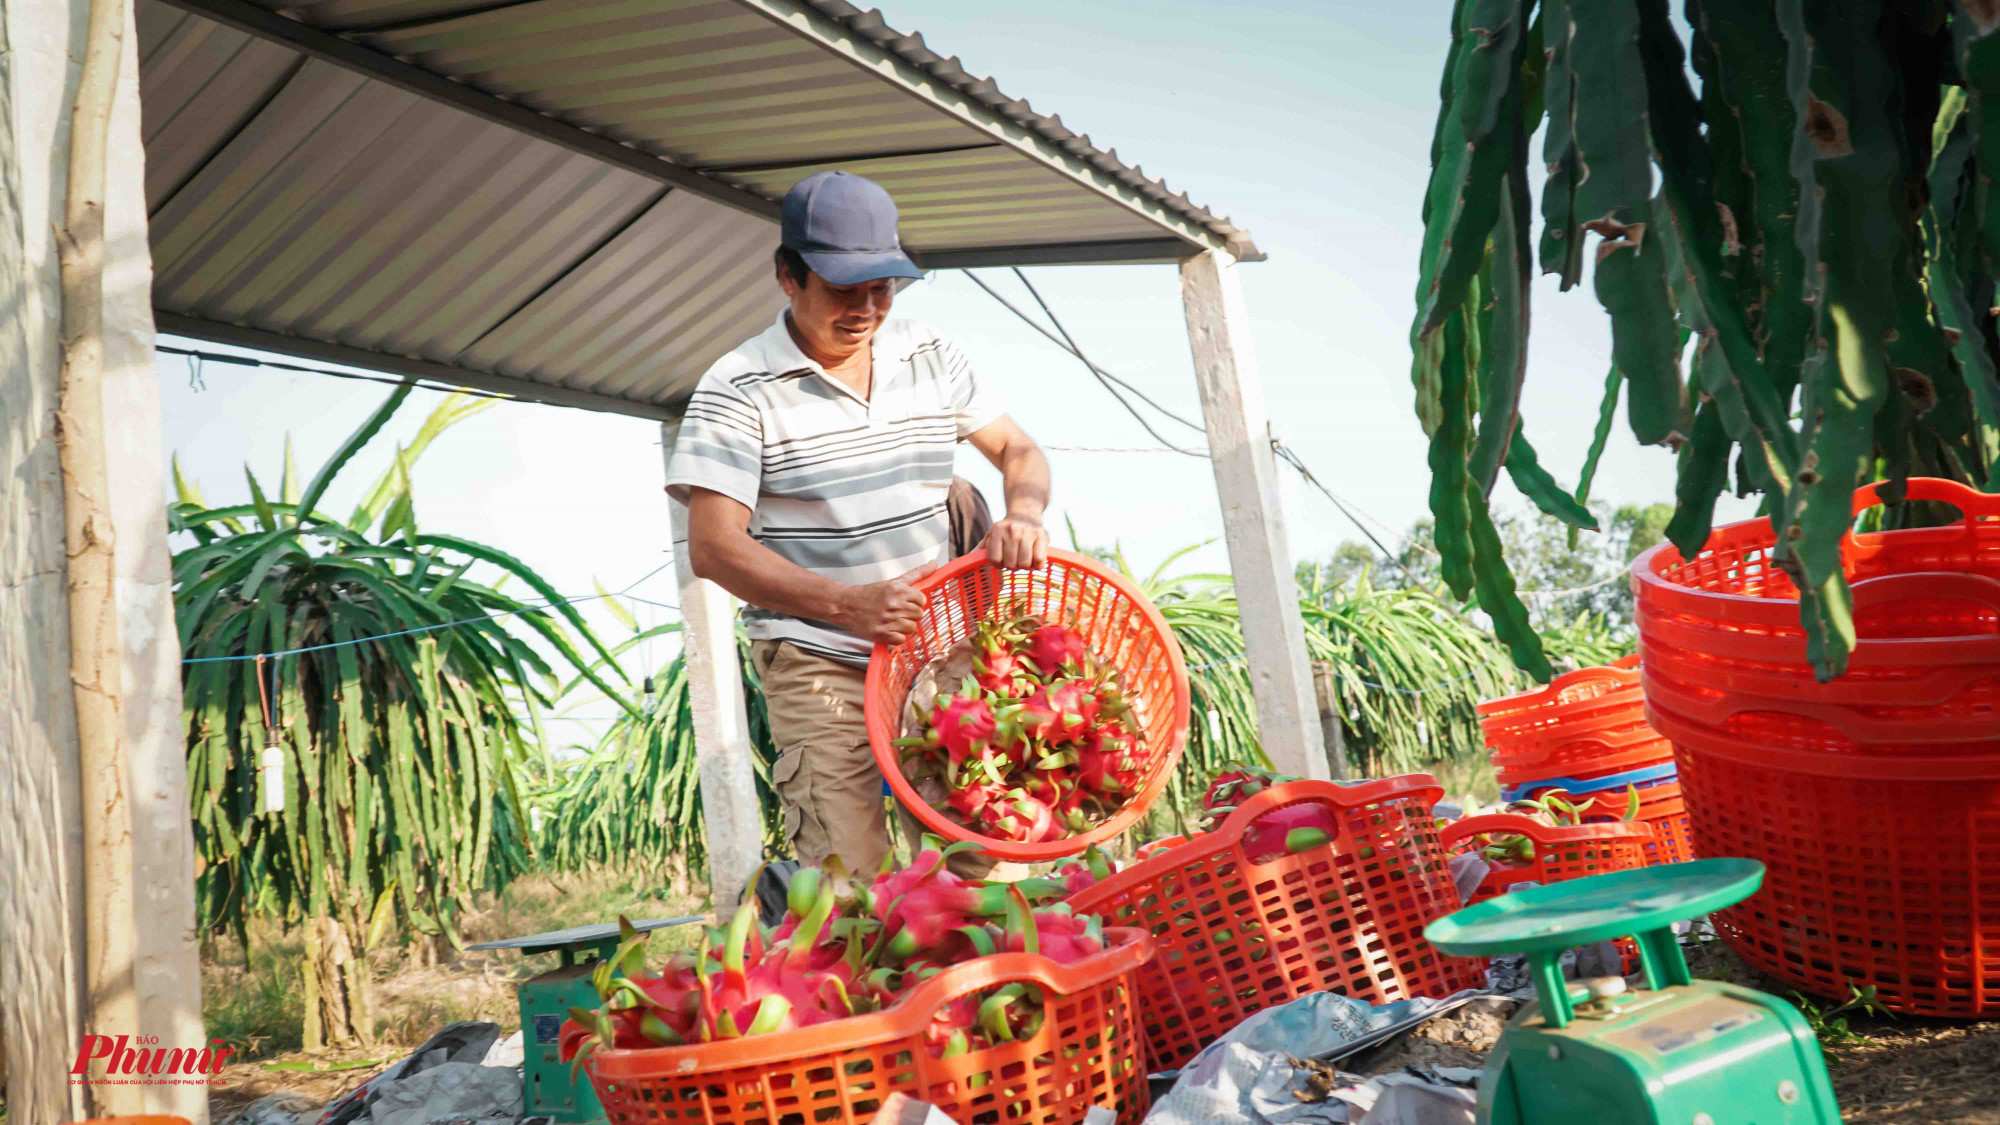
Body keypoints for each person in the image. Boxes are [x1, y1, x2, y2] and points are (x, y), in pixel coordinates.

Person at [666, 170, 1051, 877]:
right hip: (817, 660)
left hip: (936, 651)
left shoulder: (930, 352)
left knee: (991, 860)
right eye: (844, 288)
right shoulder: (736, 388)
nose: (867, 308)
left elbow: (1019, 450)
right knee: (852, 885)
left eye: (883, 287)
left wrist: (1022, 511)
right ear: (788, 276)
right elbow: (713, 546)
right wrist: (849, 605)